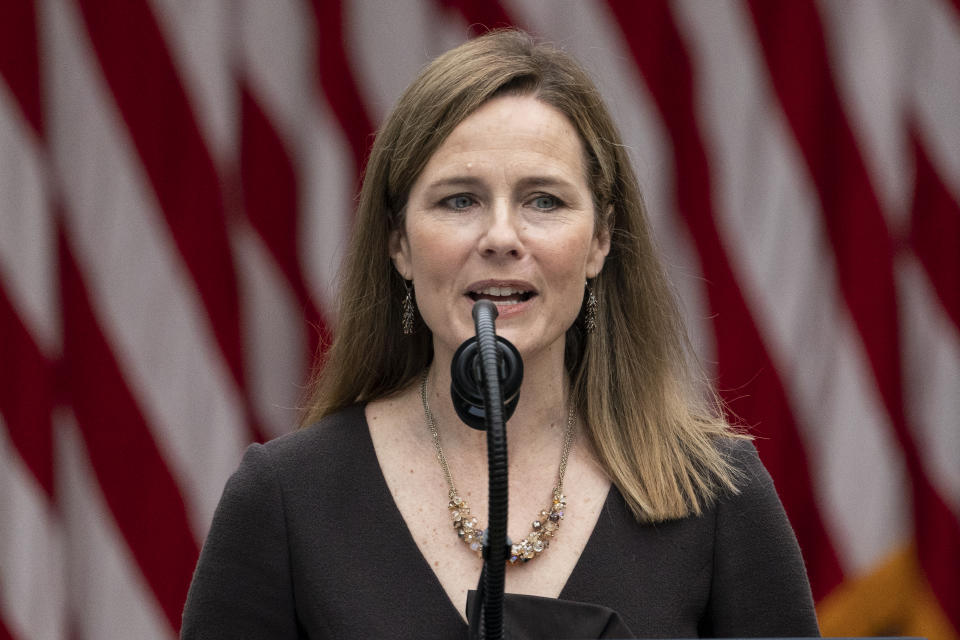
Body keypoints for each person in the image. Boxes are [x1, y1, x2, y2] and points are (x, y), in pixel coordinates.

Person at [180, 29, 819, 639]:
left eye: (544, 200)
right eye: (460, 200)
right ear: (398, 242)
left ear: (600, 241)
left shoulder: (715, 497)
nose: (502, 238)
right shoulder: (285, 500)